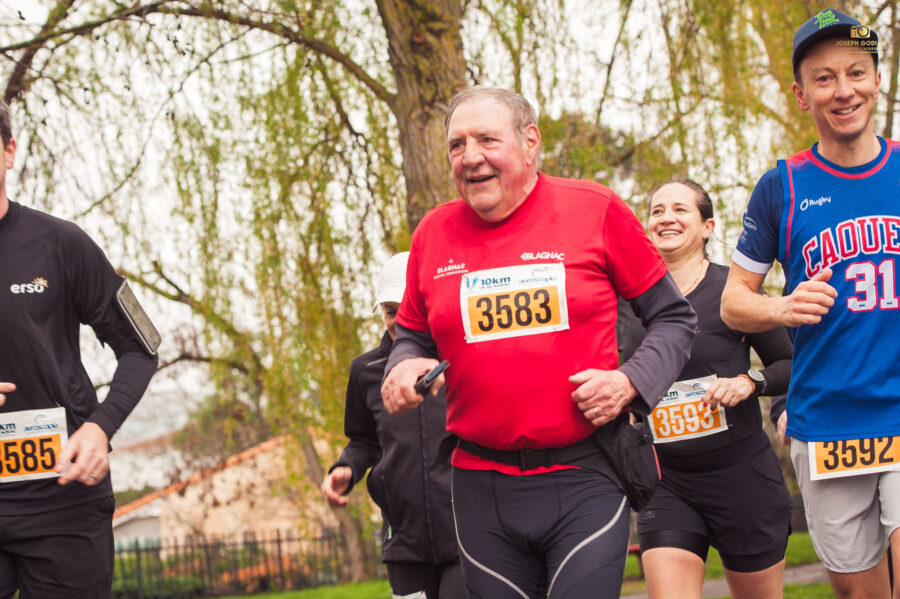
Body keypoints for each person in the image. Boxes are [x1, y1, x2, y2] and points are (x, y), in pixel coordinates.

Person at [380, 87, 697, 599]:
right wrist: (403, 362)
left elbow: (673, 318)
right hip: (480, 486)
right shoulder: (433, 233)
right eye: (457, 145)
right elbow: (413, 330)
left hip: (586, 472)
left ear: (530, 143)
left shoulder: (594, 209)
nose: (471, 156)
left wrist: (629, 381)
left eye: (487, 139)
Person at [720, 8, 900, 599]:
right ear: (802, 94)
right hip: (827, 422)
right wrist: (783, 307)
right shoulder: (782, 186)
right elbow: (733, 304)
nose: (843, 90)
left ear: (878, 79)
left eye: (856, 72)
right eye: (825, 78)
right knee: (857, 590)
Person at [0, 99, 160, 598]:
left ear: (9, 151)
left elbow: (142, 347)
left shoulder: (62, 244)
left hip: (62, 498)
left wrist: (99, 427)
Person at [618, 178, 793, 599]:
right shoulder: (624, 303)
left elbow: (791, 363)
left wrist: (750, 382)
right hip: (666, 480)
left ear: (708, 226)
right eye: (657, 210)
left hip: (742, 477)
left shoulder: (734, 293)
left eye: (680, 209)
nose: (666, 217)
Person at [321, 252, 463, 599]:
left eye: (406, 307)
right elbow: (363, 441)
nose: (398, 320)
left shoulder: (460, 360)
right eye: (389, 310)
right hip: (403, 540)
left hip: (465, 532)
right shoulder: (366, 370)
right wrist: (345, 469)